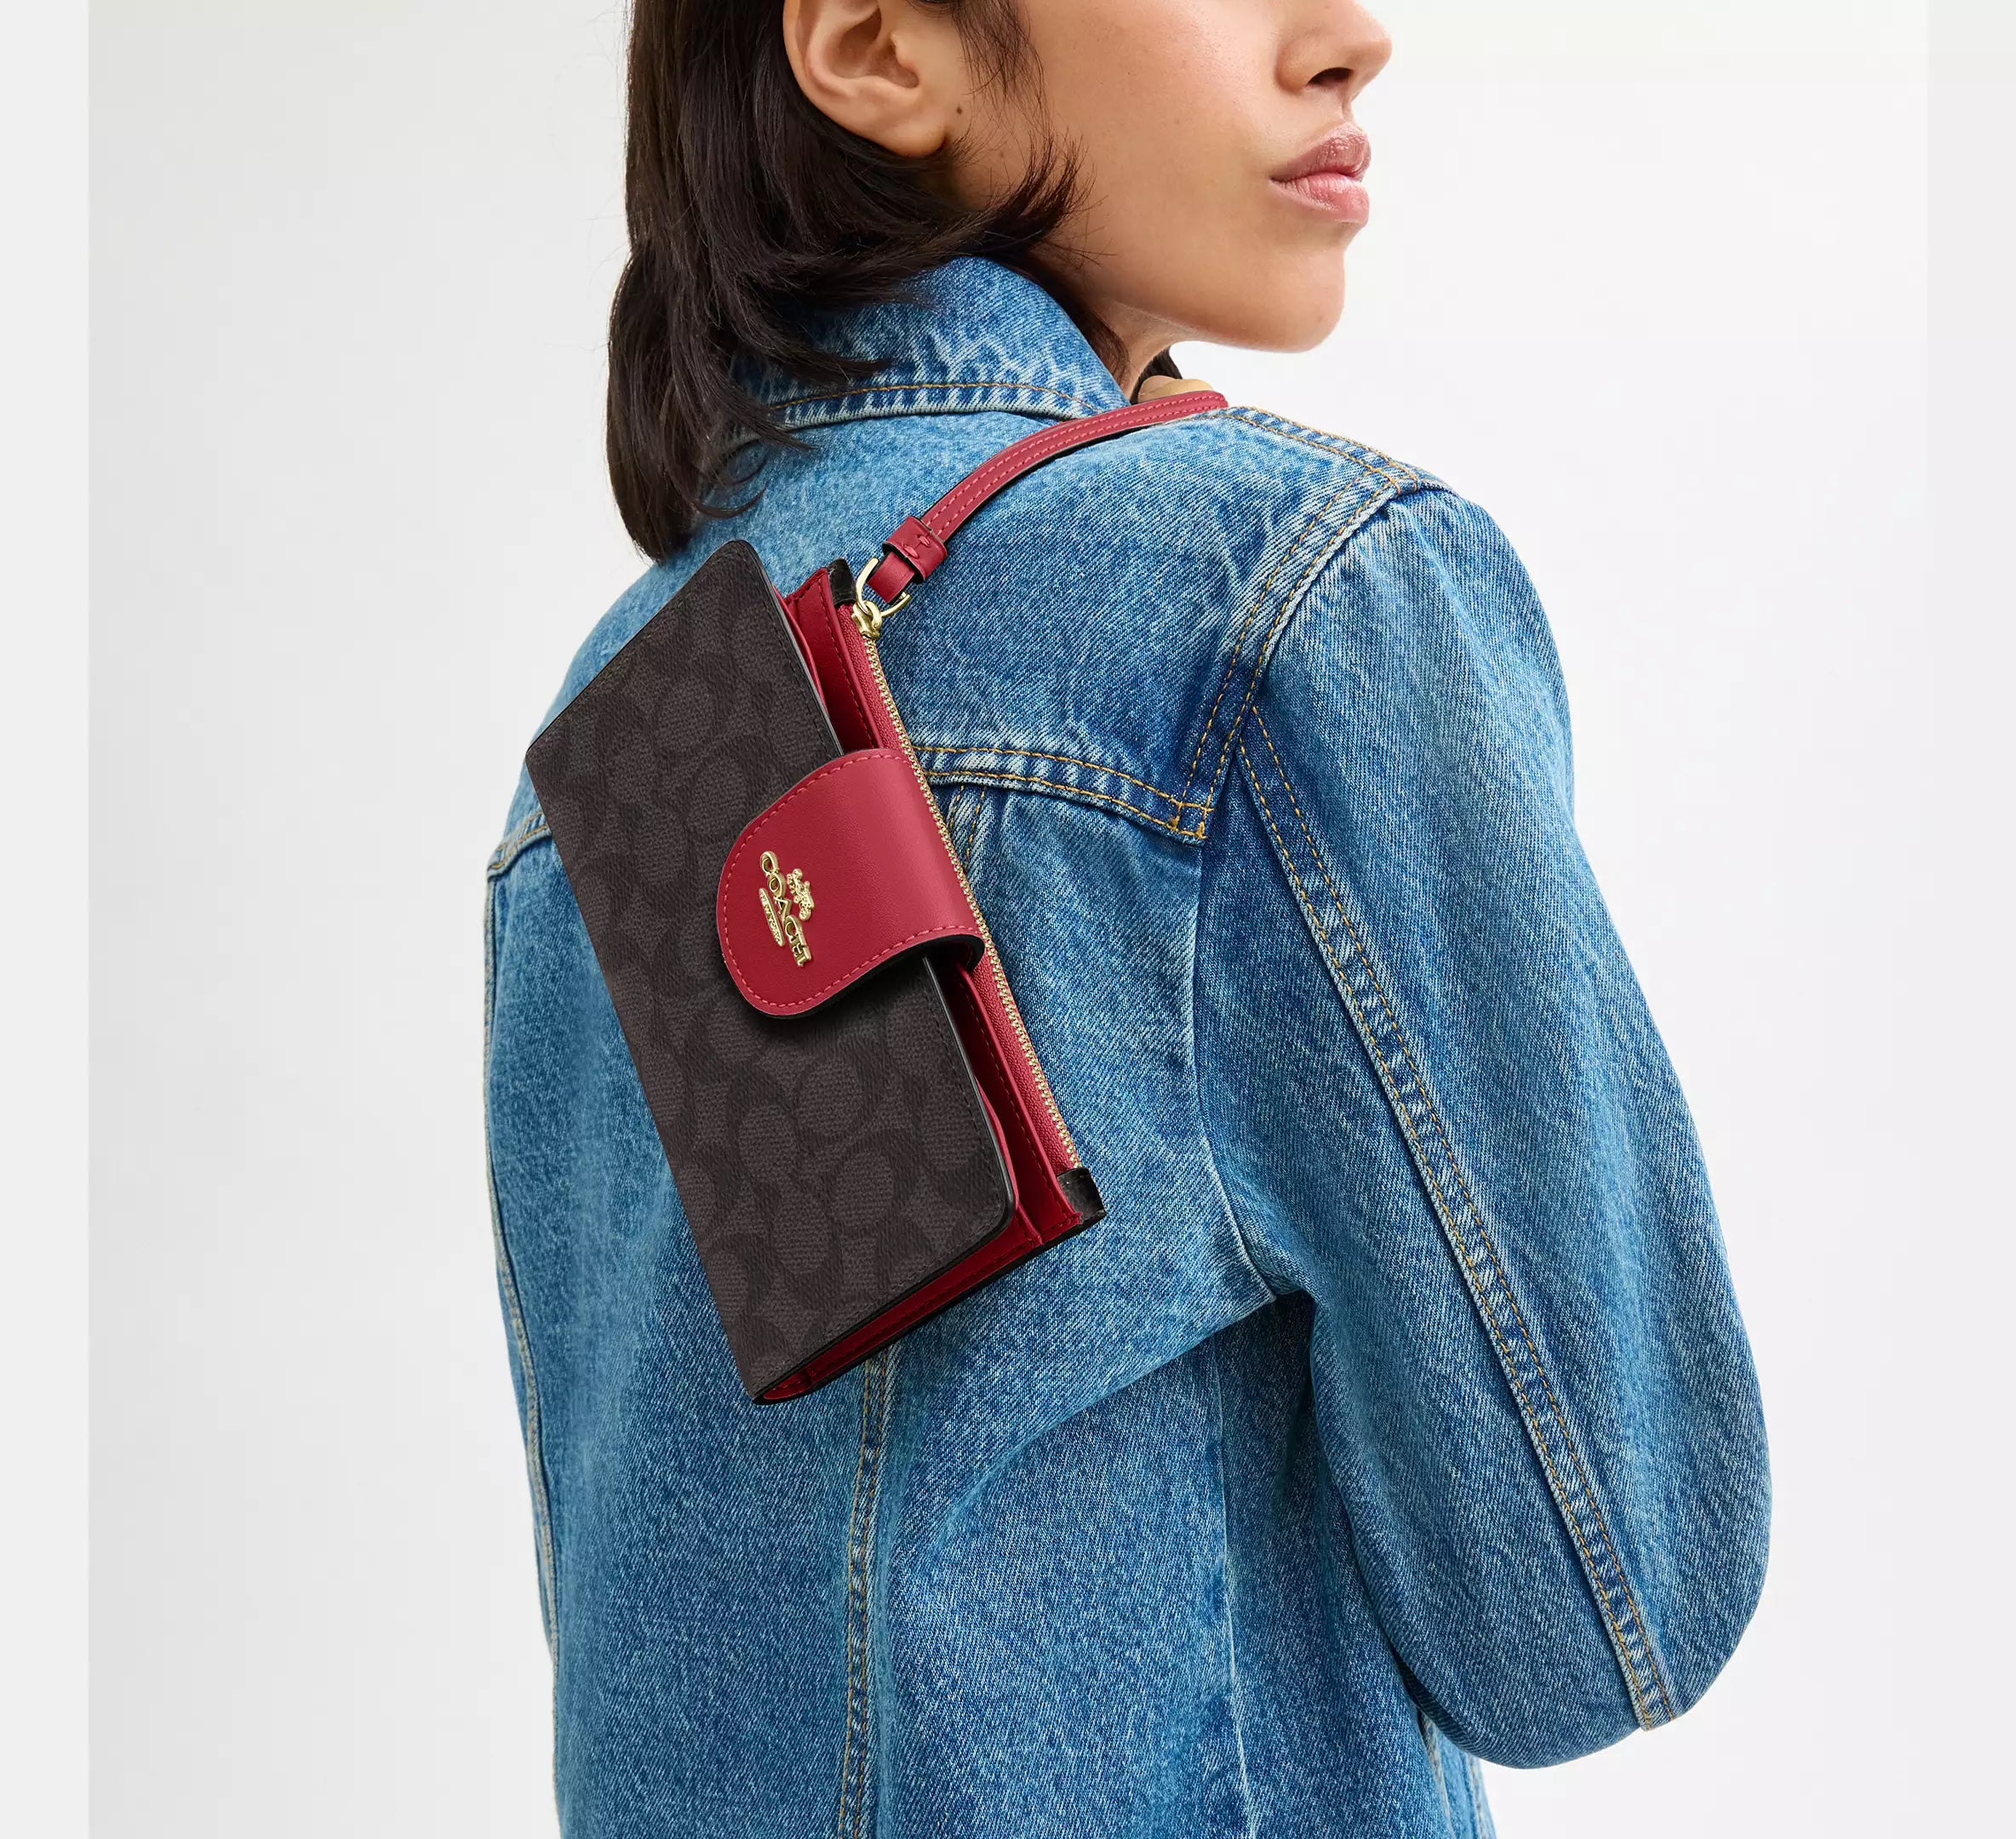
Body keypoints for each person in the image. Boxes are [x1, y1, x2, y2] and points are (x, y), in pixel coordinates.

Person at [483, 2, 1770, 1832]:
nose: (1349, 38)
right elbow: (1589, 1620)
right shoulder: (1291, 596)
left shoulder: (620, 724)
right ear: (876, 45)